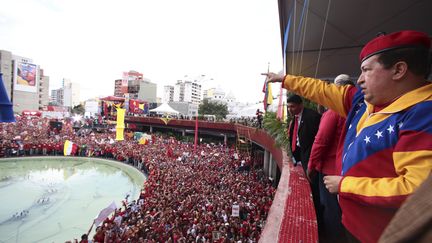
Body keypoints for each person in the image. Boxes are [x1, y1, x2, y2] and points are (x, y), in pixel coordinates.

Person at [265, 30, 432, 243]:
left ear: (398, 70)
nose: (359, 80)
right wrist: (286, 79)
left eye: (366, 70)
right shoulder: (363, 101)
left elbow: (416, 190)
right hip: (354, 225)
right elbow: (323, 90)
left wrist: (345, 185)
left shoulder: (423, 115)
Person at [307, 74, 354, 243]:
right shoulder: (358, 111)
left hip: (329, 172)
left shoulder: (333, 112)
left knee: (331, 211)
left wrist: (311, 167)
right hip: (347, 171)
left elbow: (320, 142)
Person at [286, 94, 322, 234]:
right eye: (288, 107)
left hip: (311, 159)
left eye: (292, 106)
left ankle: (319, 219)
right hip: (301, 157)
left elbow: (318, 141)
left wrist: (311, 161)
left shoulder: (312, 117)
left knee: (315, 190)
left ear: (300, 104)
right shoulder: (294, 118)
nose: (290, 109)